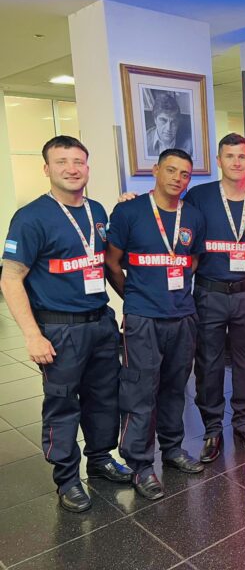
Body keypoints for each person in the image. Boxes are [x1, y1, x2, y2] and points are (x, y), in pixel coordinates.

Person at [1, 136, 132, 513]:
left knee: (104, 397)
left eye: (78, 162)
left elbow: (106, 263)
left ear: (87, 168)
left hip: (100, 322)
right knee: (62, 404)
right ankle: (67, 478)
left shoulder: (98, 211)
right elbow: (10, 278)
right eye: (61, 162)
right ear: (46, 169)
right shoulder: (31, 217)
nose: (71, 169)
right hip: (59, 329)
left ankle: (100, 458)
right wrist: (32, 335)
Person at [106, 148, 206, 500]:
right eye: (171, 170)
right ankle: (140, 464)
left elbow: (192, 260)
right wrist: (135, 296)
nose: (177, 178)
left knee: (176, 388)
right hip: (143, 318)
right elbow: (112, 262)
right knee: (140, 391)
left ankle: (173, 448)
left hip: (182, 316)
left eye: (184, 174)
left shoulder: (193, 216)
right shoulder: (129, 211)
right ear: (156, 171)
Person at [184, 133, 245, 461]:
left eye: (241, 157)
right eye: (229, 156)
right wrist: (132, 201)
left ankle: (242, 424)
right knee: (208, 363)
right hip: (208, 293)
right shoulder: (199, 197)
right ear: (219, 161)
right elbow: (169, 215)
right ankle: (212, 430)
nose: (236, 162)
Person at [145, 92, 193, 157]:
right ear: (155, 120)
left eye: (173, 122)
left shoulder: (190, 143)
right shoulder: (144, 141)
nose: (168, 128)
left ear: (178, 122)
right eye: (163, 120)